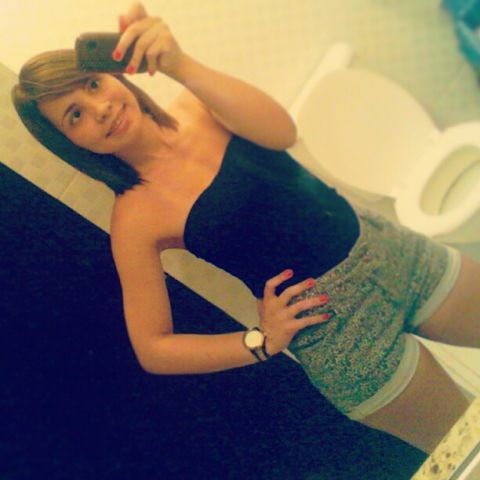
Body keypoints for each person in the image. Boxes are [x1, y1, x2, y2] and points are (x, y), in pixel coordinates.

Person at [12, 2, 479, 454]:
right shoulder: (134, 220)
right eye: (75, 115)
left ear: (113, 73)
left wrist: (177, 63)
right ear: (70, 143)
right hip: (338, 335)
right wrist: (260, 342)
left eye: (93, 84)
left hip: (390, 251)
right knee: (466, 443)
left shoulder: (198, 105)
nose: (99, 108)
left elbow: (283, 132)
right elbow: (153, 349)